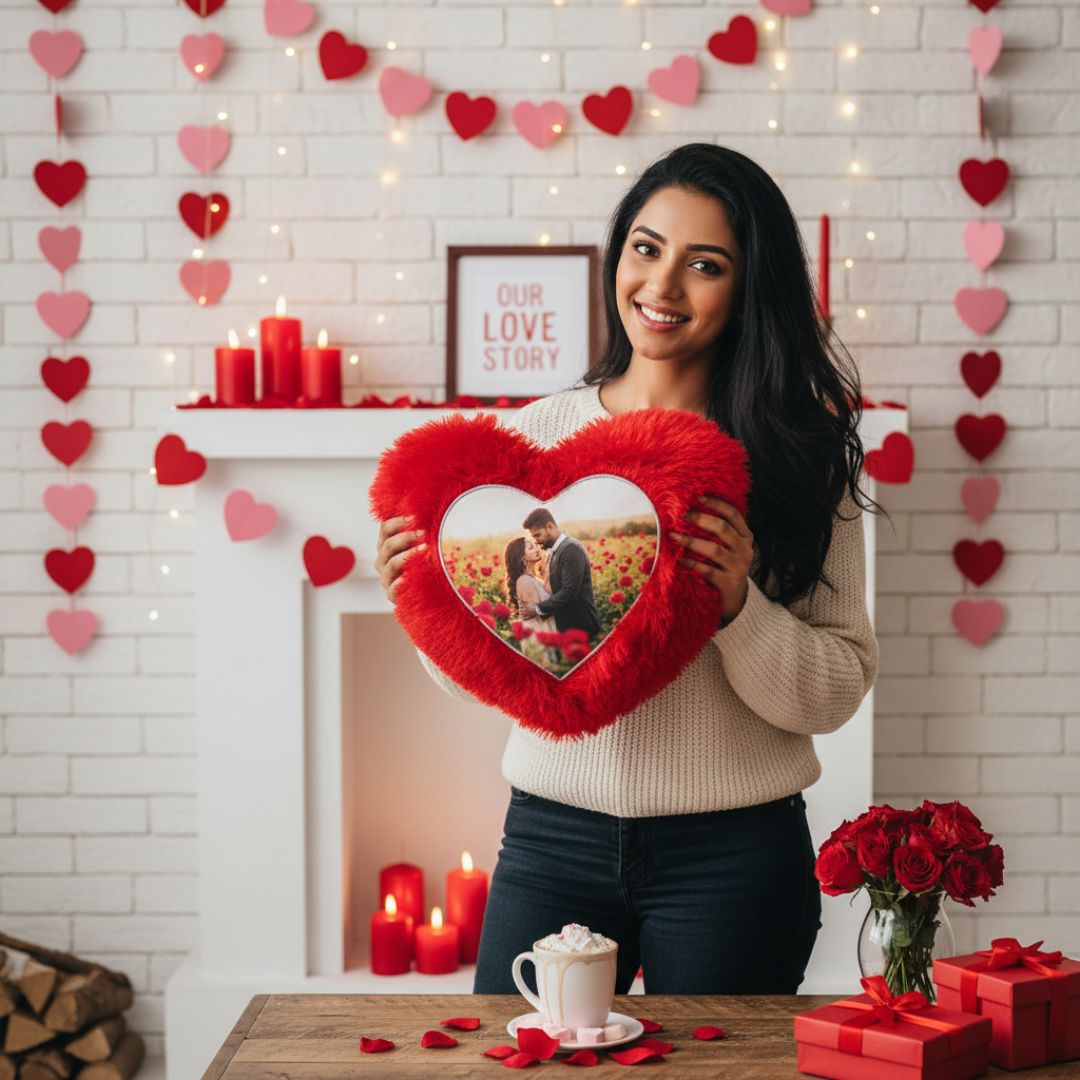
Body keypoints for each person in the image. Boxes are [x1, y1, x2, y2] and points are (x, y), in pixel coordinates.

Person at [374, 142, 884, 996]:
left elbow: (835, 691)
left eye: (705, 264)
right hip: (549, 841)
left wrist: (739, 609)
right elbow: (492, 674)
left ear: (750, 286)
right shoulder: (531, 441)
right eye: (646, 249)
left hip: (733, 854)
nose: (662, 286)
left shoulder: (802, 455)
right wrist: (426, 603)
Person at [516, 509, 601, 638]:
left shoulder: (571, 549)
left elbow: (569, 592)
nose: (537, 541)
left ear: (549, 527)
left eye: (538, 535)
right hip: (568, 629)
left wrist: (537, 608)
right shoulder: (555, 551)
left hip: (580, 628)